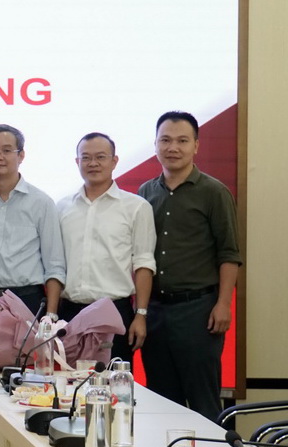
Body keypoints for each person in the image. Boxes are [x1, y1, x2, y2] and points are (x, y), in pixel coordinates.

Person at [137, 111, 241, 420]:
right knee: (161, 402)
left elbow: (229, 253)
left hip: (198, 312)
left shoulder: (214, 192)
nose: (173, 148)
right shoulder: (145, 193)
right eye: (165, 140)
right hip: (155, 312)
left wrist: (223, 304)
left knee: (203, 401)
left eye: (182, 141)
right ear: (155, 145)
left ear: (196, 145)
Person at [57, 133, 155, 362]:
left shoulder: (136, 207)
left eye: (100, 157)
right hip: (69, 312)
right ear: (77, 162)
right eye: (86, 157)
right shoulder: (62, 207)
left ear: (114, 161)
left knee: (112, 380)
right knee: (65, 381)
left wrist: (140, 315)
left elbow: (143, 263)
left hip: (114, 312)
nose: (93, 163)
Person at [0, 124, 66, 317]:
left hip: (26, 302)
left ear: (21, 155)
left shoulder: (41, 202)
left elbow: (54, 265)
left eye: (6, 150)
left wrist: (51, 315)